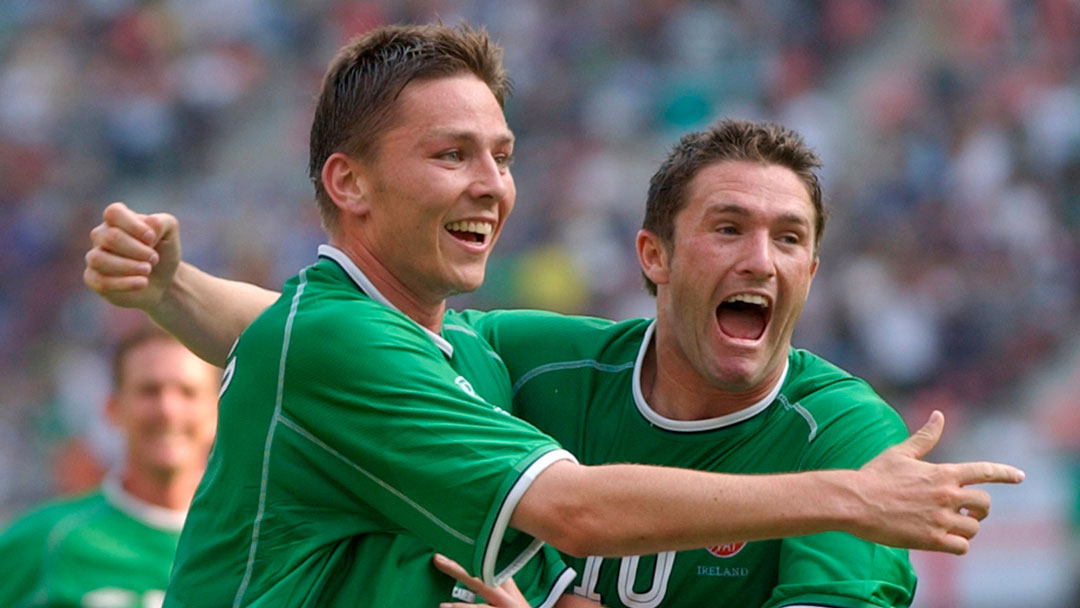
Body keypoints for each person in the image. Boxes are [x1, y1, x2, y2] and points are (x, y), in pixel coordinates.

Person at [82, 24, 1023, 608]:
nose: (493, 186)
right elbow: (569, 511)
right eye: (452, 154)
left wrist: (174, 290)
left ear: (816, 268)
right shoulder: (405, 350)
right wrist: (850, 495)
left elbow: (282, 337)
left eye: (504, 154)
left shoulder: (473, 358)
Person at [0, 325, 220, 608]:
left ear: (218, 412)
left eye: (188, 393)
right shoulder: (46, 541)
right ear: (113, 408)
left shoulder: (256, 547)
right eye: (149, 391)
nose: (168, 409)